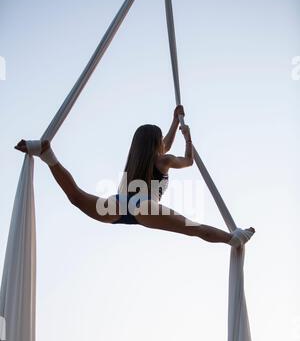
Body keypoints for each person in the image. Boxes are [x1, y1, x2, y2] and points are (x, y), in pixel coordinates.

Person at [15, 105, 255, 247]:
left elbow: (164, 144)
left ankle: (47, 155)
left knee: (77, 196)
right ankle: (233, 239)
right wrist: (187, 135)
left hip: (118, 204)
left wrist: (173, 122)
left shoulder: (137, 160)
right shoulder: (165, 160)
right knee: (194, 228)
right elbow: (189, 160)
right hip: (145, 208)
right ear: (156, 143)